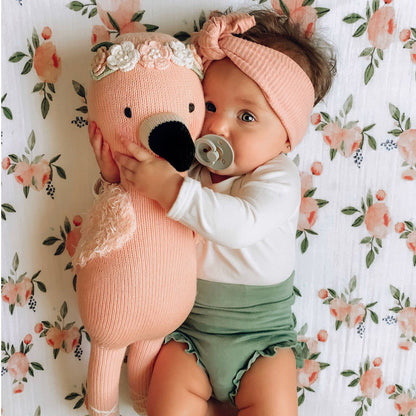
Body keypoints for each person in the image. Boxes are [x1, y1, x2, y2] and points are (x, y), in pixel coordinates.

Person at [89, 9, 335, 416]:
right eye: (210, 105)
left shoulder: (278, 178)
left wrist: (171, 189)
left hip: (261, 338)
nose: (217, 127)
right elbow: (147, 216)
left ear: (287, 137)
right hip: (188, 334)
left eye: (247, 116)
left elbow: (241, 225)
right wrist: (119, 178)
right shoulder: (191, 169)